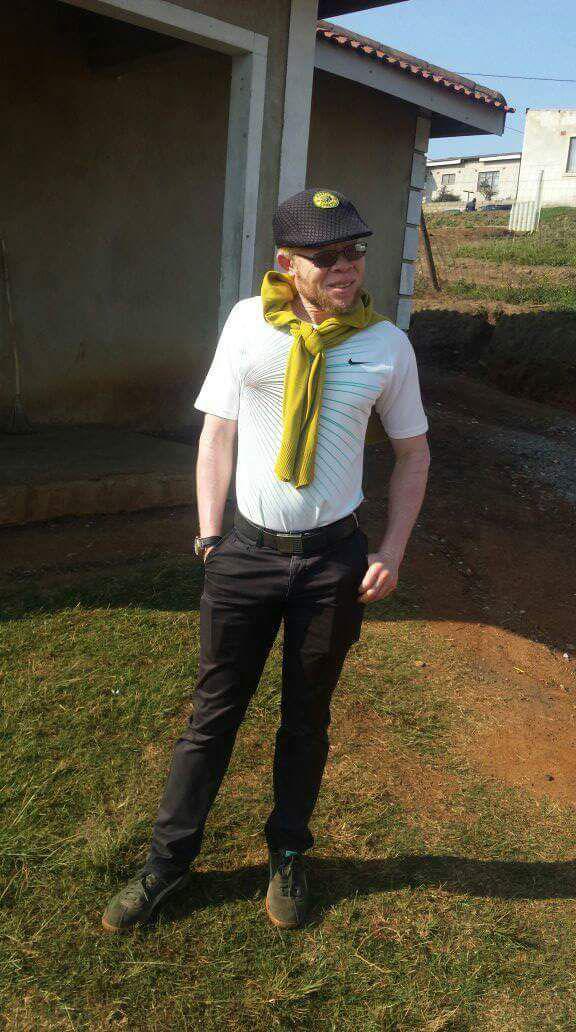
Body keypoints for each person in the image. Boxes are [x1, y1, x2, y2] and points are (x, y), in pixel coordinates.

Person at [102, 188, 430, 933]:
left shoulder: (386, 344)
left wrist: (393, 550)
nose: (347, 266)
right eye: (327, 256)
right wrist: (209, 537)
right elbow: (217, 431)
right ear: (288, 263)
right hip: (244, 554)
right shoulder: (248, 324)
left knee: (306, 719)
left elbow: (413, 453)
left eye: (354, 250)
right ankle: (167, 864)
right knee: (211, 718)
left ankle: (288, 850)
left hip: (332, 564)